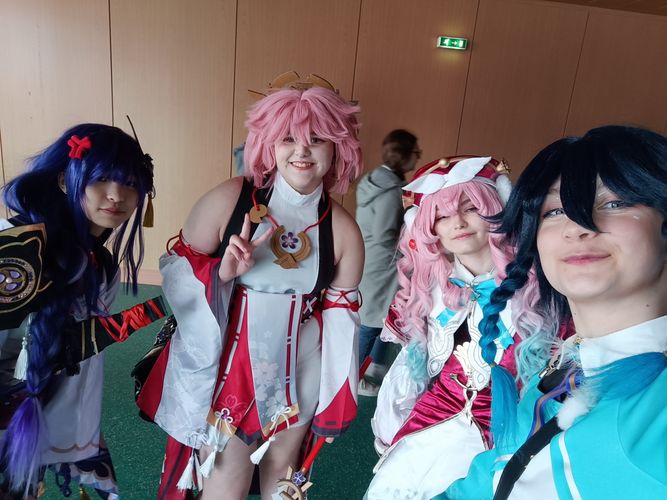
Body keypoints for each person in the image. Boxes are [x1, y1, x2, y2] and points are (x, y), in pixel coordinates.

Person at [137, 84, 364, 499]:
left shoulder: (343, 229)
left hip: (302, 371)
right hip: (226, 371)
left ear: (337, 148)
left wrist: (338, 401)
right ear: (268, 143)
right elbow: (176, 275)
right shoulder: (230, 199)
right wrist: (221, 273)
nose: (302, 151)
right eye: (288, 138)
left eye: (317, 139)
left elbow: (341, 324)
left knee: (283, 475)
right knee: (226, 476)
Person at [439, 125, 667, 499]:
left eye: (615, 203)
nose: (577, 226)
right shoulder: (563, 369)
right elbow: (494, 477)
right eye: (556, 210)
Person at [0, 123, 156, 498]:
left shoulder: (100, 264)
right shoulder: (17, 249)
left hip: (48, 412)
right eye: (101, 178)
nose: (116, 195)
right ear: (64, 180)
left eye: (130, 183)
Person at [365, 155, 521, 499]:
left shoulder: (534, 289)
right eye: (442, 216)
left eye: (471, 208)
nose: (457, 223)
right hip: (431, 422)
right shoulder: (431, 292)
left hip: (505, 435)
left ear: (497, 206)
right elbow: (414, 368)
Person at [356, 129, 420, 395]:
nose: (417, 158)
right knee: (371, 323)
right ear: (404, 156)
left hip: (372, 258)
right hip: (382, 264)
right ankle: (353, 378)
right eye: (416, 153)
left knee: (381, 318)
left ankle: (372, 369)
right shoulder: (391, 190)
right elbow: (384, 235)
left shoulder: (375, 180)